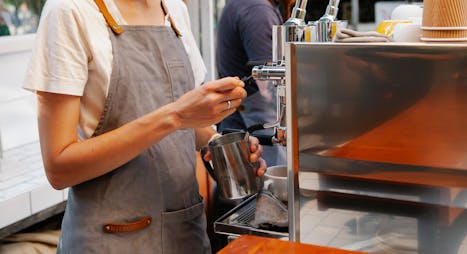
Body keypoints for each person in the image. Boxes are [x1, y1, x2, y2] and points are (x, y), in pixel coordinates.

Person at [23, 0, 267, 252]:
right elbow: (59, 168)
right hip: (111, 242)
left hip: (185, 236)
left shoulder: (174, 11)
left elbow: (187, 120)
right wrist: (175, 116)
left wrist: (218, 145)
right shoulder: (70, 11)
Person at [210, 0, 293, 251]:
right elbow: (270, 87)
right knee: (264, 211)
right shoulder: (257, 11)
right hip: (254, 129)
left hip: (239, 126)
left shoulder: (243, 4)